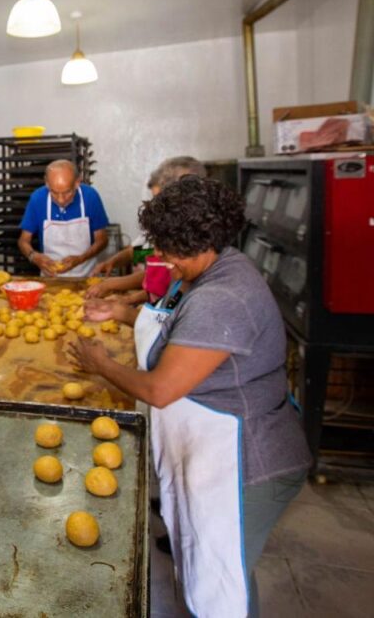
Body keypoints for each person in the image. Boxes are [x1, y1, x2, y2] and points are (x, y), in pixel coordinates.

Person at [69, 177, 311, 618]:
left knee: (221, 589)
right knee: (222, 573)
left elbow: (161, 388)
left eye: (164, 248)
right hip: (221, 452)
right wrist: (119, 312)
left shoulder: (223, 297)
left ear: (189, 242)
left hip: (246, 464)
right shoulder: (219, 266)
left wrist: (100, 362)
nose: (158, 258)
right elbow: (179, 333)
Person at [87, 156, 207, 301]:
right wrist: (113, 262)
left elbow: (169, 293)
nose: (155, 206)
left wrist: (122, 296)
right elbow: (142, 252)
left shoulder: (192, 244)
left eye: (160, 199)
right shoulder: (161, 223)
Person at [17, 159, 110, 277]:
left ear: (77, 182)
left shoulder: (90, 197)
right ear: (46, 183)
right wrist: (33, 256)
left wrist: (80, 259)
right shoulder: (38, 199)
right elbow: (23, 241)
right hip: (51, 277)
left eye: (67, 192)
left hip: (86, 276)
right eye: (54, 192)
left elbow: (102, 240)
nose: (60, 199)